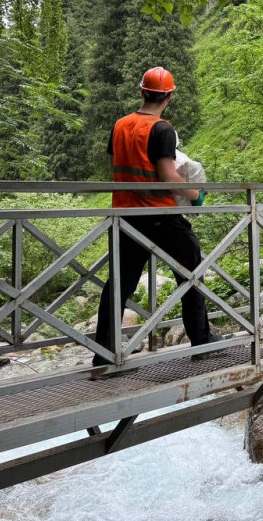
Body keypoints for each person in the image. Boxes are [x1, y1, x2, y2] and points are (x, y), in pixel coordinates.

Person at [92, 67, 213, 368]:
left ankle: (103, 353)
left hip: (125, 214)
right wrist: (195, 193)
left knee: (119, 283)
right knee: (190, 273)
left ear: (142, 91)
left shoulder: (120, 125)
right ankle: (202, 341)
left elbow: (118, 164)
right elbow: (167, 176)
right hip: (159, 214)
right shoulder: (162, 129)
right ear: (169, 96)